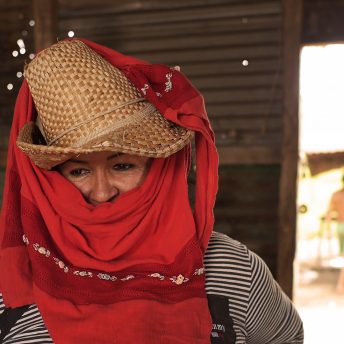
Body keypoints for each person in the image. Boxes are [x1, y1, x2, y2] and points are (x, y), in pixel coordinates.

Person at [0, 39, 303, 343]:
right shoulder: (16, 277)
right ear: (53, 180)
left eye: (123, 166)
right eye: (79, 171)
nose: (102, 193)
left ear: (157, 166)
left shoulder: (233, 269)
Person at [325, 174, 344, 293]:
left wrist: (328, 231)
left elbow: (329, 214)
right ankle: (340, 285)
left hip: (340, 227)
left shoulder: (335, 195)